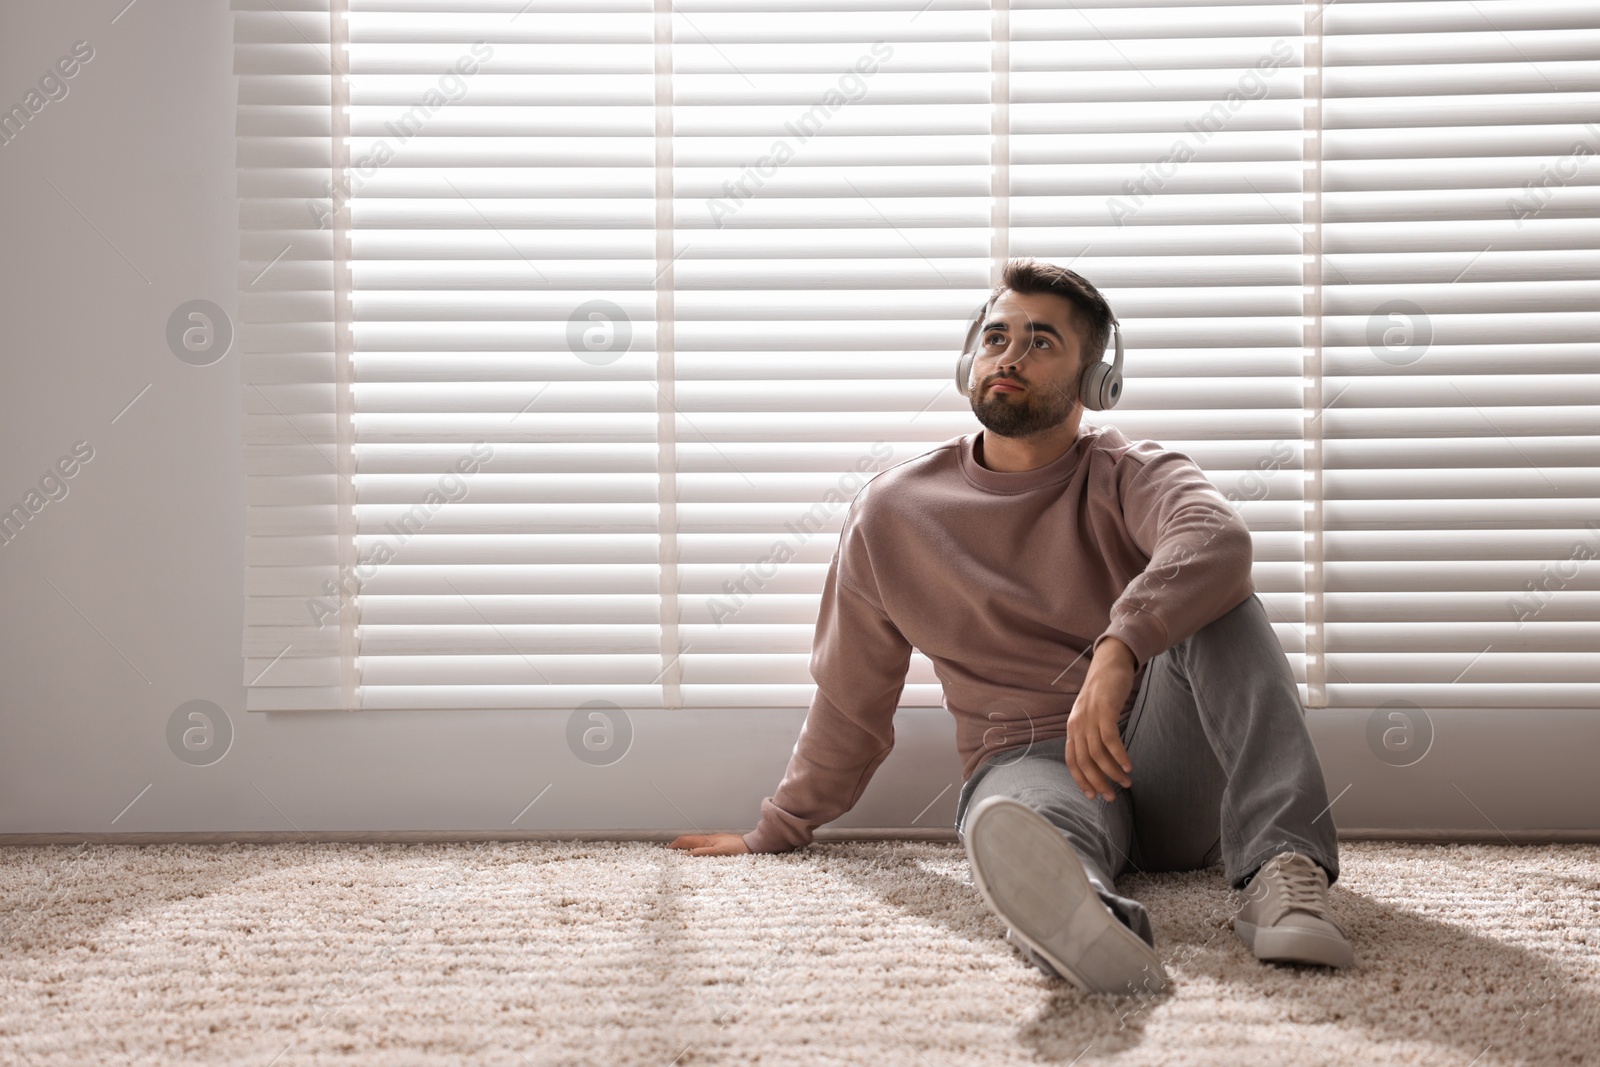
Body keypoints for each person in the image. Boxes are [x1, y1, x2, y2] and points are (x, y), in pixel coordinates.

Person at [669, 258, 1353, 995]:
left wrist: (1121, 647)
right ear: (971, 358)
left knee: (1219, 599)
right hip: (1030, 761)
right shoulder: (892, 512)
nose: (1010, 355)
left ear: (1096, 382)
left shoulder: (1130, 472)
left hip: (1165, 764)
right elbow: (850, 701)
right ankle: (1086, 916)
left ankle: (1285, 869)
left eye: (1042, 342)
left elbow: (1217, 538)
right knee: (1022, 827)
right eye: (997, 337)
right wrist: (777, 827)